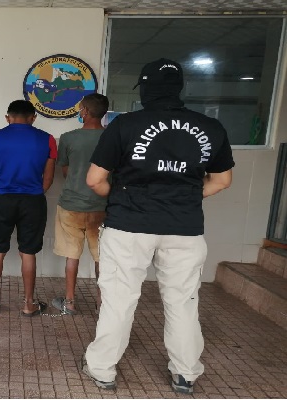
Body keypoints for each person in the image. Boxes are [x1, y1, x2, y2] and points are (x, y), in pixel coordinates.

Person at [81, 58, 234, 394]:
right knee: (182, 302)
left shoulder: (123, 126)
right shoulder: (210, 128)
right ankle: (186, 373)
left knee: (119, 299)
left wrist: (122, 197)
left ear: (146, 89)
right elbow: (223, 180)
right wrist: (188, 197)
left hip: (128, 226)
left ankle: (103, 369)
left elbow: (95, 180)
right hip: (185, 229)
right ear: (179, 89)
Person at [0, 100, 57, 316]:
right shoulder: (48, 140)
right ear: (33, 117)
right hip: (33, 200)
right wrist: (35, 193)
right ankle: (28, 304)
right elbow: (48, 178)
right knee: (28, 252)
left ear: (8, 117)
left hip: (2, 198)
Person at [51, 93, 109, 315]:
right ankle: (102, 304)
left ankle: (70, 302)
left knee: (72, 255)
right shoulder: (112, 137)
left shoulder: (68, 137)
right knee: (102, 258)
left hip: (71, 205)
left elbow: (65, 171)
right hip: (103, 207)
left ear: (85, 111)